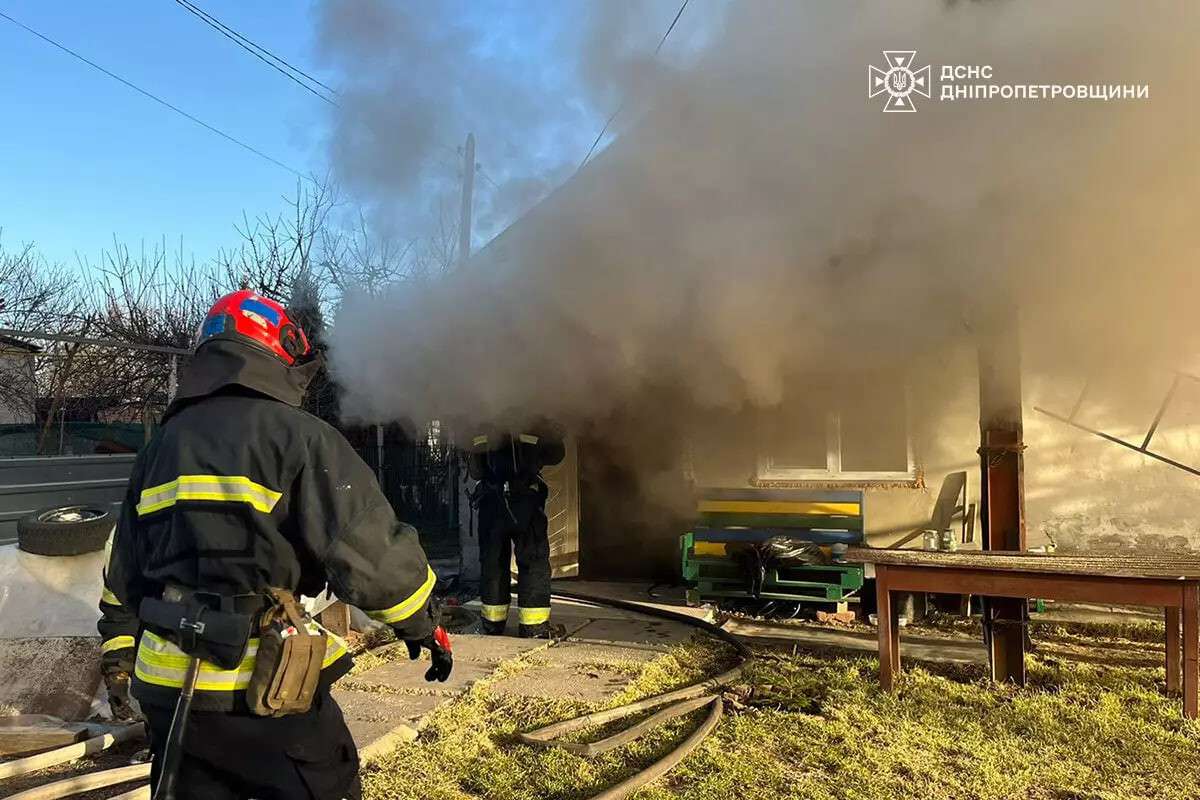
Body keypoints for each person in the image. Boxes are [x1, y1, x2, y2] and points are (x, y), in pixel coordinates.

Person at [97, 290, 452, 800]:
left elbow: (124, 573)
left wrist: (119, 657)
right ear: (276, 351)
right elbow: (370, 552)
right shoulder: (301, 437)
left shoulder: (160, 447)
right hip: (266, 690)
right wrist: (422, 622)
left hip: (170, 699)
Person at [468, 418, 565, 638]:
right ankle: (534, 627)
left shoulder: (480, 420)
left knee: (493, 562)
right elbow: (556, 455)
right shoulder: (534, 419)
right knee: (533, 561)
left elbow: (475, 470)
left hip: (491, 503)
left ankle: (492, 624)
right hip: (527, 502)